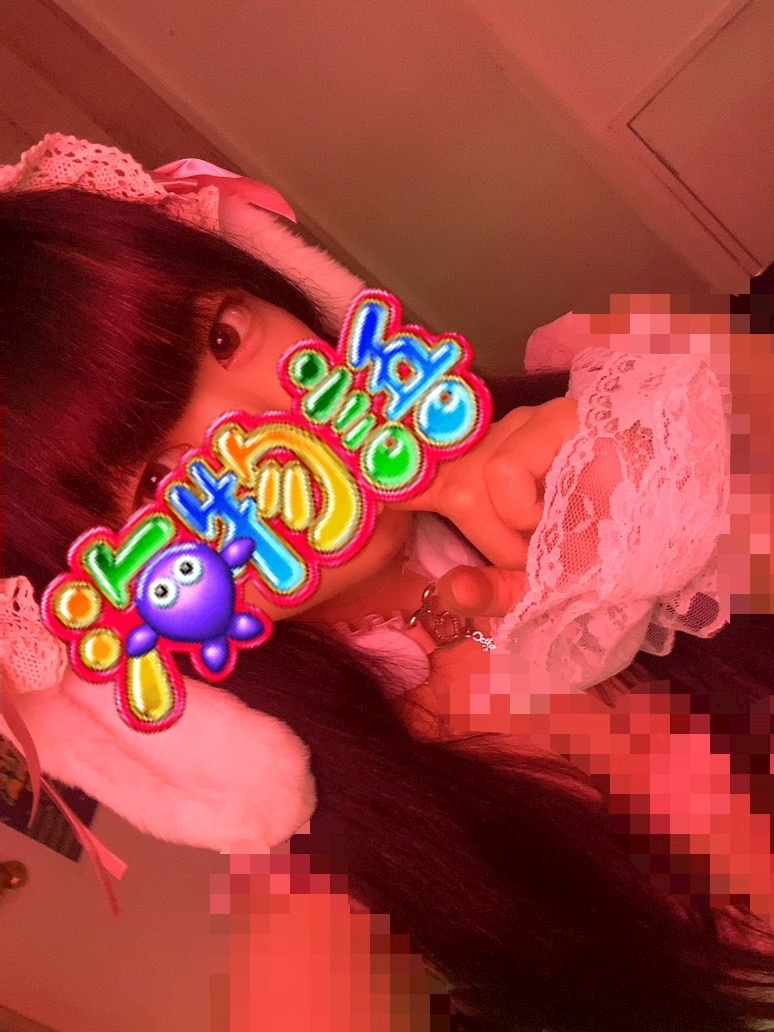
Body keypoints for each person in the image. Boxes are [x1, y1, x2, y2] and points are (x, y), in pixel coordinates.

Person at [1, 135, 772, 1032]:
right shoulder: (348, 893)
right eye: (157, 481)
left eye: (223, 337)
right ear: (115, 595)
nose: (269, 432)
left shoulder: (620, 407)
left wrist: (659, 480)